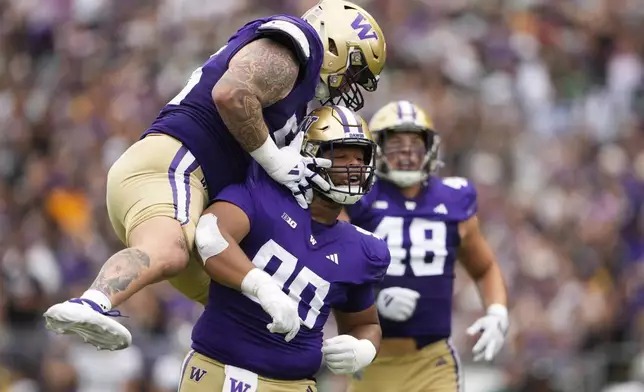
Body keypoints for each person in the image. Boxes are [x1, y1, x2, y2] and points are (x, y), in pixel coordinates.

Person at [43, 0, 386, 351]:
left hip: (185, 182)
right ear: (335, 44)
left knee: (241, 304)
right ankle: (91, 303)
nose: (350, 86)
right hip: (176, 163)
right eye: (354, 71)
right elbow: (231, 94)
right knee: (170, 251)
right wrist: (274, 159)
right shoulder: (299, 44)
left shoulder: (295, 108)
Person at [179, 105, 390, 392]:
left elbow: (365, 323)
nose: (353, 167)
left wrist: (364, 347)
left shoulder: (363, 248)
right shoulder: (265, 195)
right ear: (309, 153)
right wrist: (261, 287)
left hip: (295, 385)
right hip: (221, 369)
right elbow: (210, 235)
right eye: (340, 155)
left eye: (360, 157)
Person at [343, 100, 509, 392]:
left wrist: (497, 311)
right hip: (371, 357)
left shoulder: (453, 199)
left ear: (430, 148)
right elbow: (333, 269)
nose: (407, 153)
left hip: (432, 362)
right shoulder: (358, 200)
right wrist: (374, 300)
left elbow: (484, 268)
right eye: (396, 144)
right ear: (377, 147)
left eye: (415, 144)